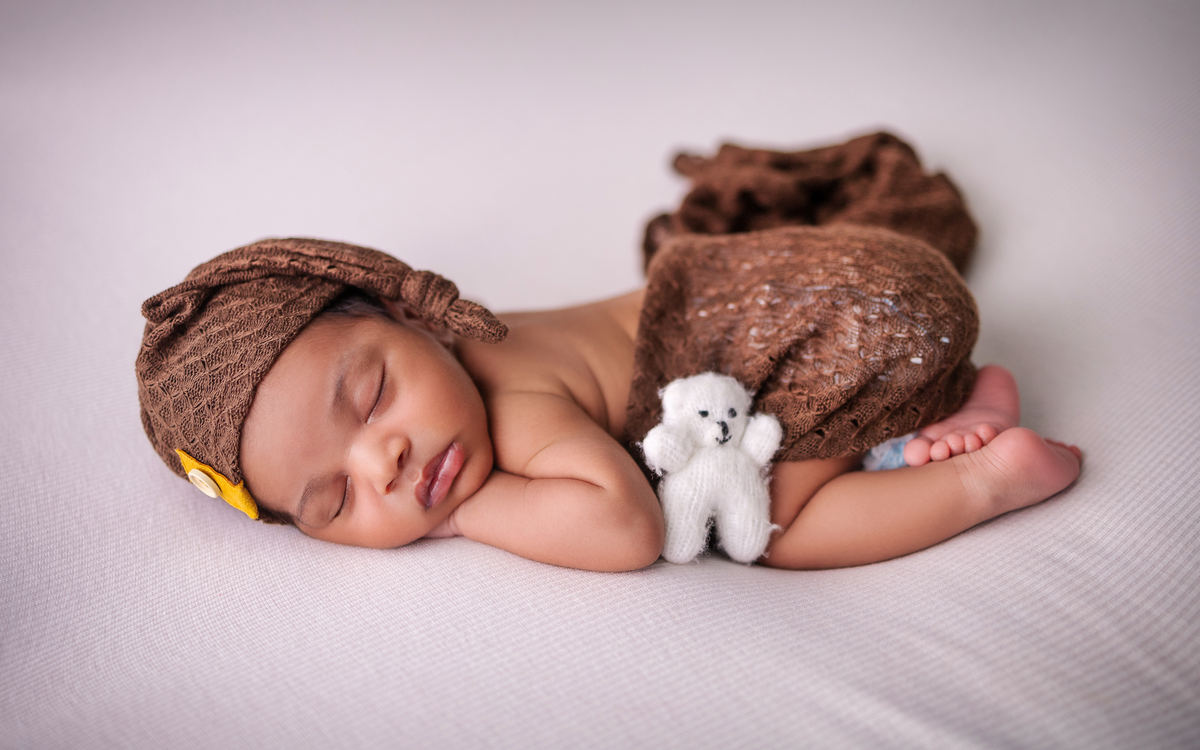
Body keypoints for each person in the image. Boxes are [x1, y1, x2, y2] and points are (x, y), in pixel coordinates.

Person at [135, 135, 1081, 572]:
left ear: (408, 312)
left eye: (374, 395)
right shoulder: (477, 335)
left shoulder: (515, 412)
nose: (382, 465)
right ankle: (959, 398)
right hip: (855, 284)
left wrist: (476, 516)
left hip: (848, 318)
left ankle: (988, 475)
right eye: (334, 502)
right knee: (767, 443)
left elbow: (625, 528)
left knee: (776, 526)